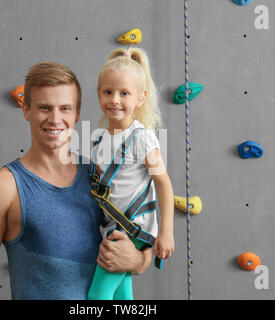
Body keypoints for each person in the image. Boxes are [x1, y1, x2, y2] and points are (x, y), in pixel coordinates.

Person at [0, 62, 152, 300]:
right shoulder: (1, 187)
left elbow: (142, 245)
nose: (55, 119)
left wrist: (136, 260)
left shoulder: (101, 176)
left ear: (77, 112)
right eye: (44, 108)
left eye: (65, 108)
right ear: (26, 110)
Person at [87, 48, 175, 300]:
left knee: (97, 297)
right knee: (121, 296)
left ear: (140, 98)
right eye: (108, 92)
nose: (114, 99)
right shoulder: (99, 139)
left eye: (124, 93)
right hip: (112, 229)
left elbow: (163, 183)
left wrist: (166, 232)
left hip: (133, 228)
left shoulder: (142, 139)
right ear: (99, 94)